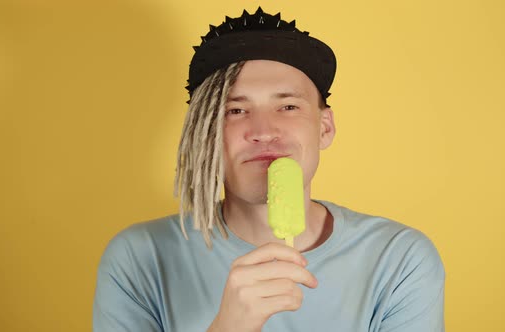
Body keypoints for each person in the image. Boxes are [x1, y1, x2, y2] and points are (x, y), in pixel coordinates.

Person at [93, 7, 445, 332]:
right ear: (206, 135)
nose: (263, 131)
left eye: (288, 106)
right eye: (235, 111)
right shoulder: (138, 258)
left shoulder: (399, 260)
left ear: (324, 128)